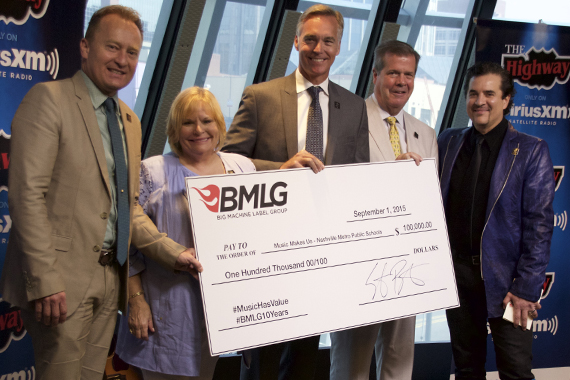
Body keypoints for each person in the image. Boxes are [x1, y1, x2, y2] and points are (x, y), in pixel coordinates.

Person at [0, 6, 201, 379]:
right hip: (61, 282)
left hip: (112, 281)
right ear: (85, 47)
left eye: (132, 52)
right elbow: (26, 197)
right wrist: (45, 281)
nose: (122, 60)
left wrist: (175, 253)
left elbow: (129, 208)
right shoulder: (48, 100)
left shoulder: (130, 120)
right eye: (112, 47)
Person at [222, 4, 369, 379]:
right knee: (262, 360)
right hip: (265, 253)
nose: (318, 49)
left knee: (303, 360)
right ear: (295, 42)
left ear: (338, 47)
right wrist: (280, 170)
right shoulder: (261, 97)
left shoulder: (353, 106)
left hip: (320, 255)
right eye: (311, 39)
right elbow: (226, 164)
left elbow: (358, 178)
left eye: (328, 41)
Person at [115, 87, 255, 380]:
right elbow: (126, 242)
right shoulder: (153, 172)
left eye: (207, 121)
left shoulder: (241, 168)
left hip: (218, 314)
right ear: (175, 129)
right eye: (188, 122)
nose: (198, 129)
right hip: (164, 316)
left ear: (219, 124)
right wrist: (136, 300)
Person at [438, 61, 554, 380]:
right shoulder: (449, 141)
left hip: (509, 284)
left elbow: (539, 227)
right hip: (458, 279)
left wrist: (526, 288)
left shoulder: (531, 151)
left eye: (489, 93)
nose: (480, 101)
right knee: (466, 370)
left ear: (506, 99)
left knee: (515, 372)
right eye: (473, 93)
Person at [329, 40, 437, 380]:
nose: (401, 81)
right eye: (393, 73)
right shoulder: (347, 122)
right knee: (352, 365)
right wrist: (392, 176)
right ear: (376, 74)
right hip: (360, 264)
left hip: (409, 266)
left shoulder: (426, 133)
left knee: (398, 361)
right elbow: (336, 191)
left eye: (408, 74)